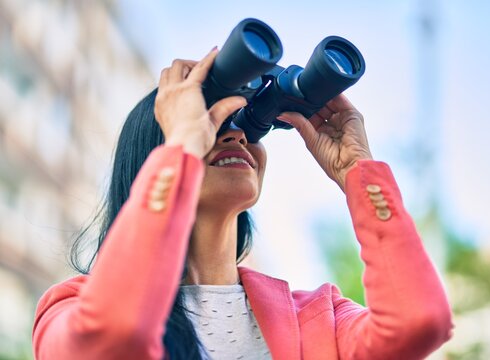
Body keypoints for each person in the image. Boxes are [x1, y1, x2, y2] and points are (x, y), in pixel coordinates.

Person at [32, 48, 453, 360]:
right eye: (211, 128)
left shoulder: (318, 317)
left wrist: (359, 173)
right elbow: (112, 334)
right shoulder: (70, 308)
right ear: (155, 155)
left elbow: (420, 323)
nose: (237, 137)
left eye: (247, 129)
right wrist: (182, 147)